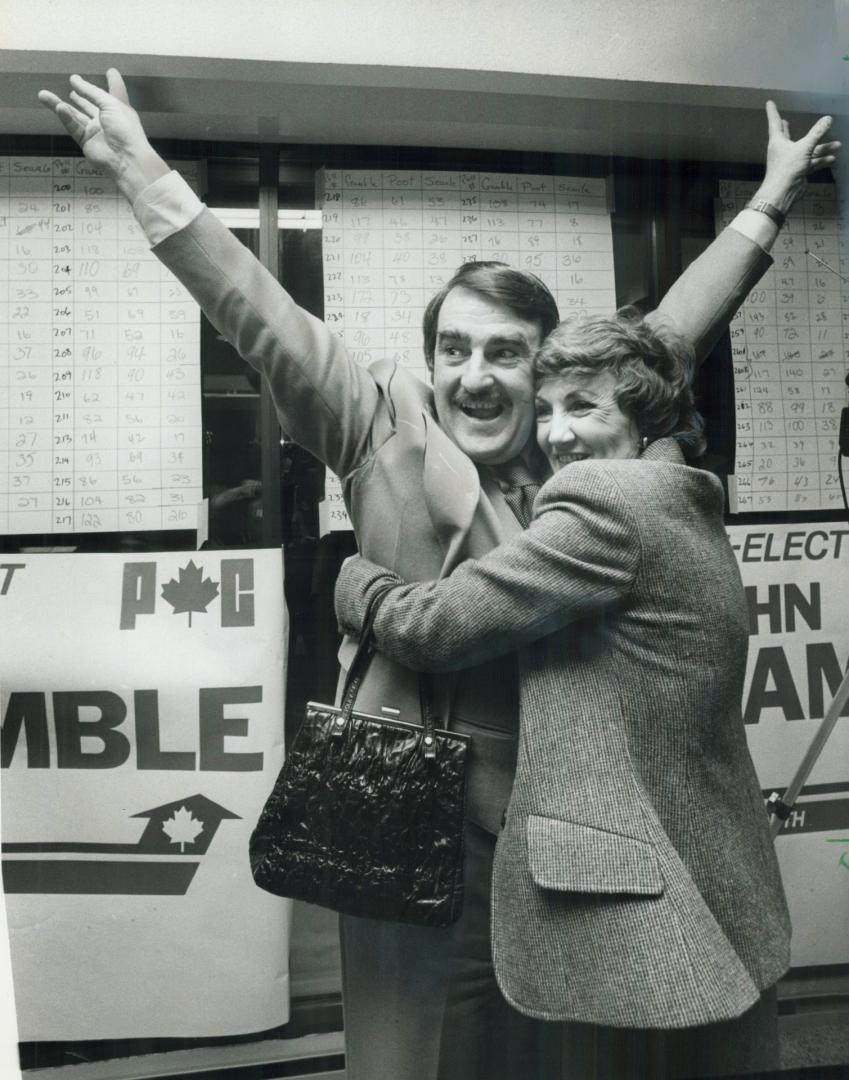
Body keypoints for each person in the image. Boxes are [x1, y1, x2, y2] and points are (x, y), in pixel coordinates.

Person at [39, 71, 836, 1080]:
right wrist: (139, 167)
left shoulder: (585, 442)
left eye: (506, 352)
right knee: (420, 1052)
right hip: (408, 812)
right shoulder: (377, 426)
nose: (475, 374)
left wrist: (769, 203)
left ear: (548, 368)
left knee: (552, 1048)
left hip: (563, 825)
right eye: (454, 348)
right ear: (429, 359)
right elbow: (256, 309)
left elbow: (675, 332)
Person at [333, 308, 791, 1077]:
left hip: (636, 889)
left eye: (582, 406)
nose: (554, 434)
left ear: (645, 415)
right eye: (545, 410)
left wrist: (354, 581)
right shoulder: (685, 492)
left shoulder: (604, 503)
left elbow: (435, 626)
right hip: (711, 863)